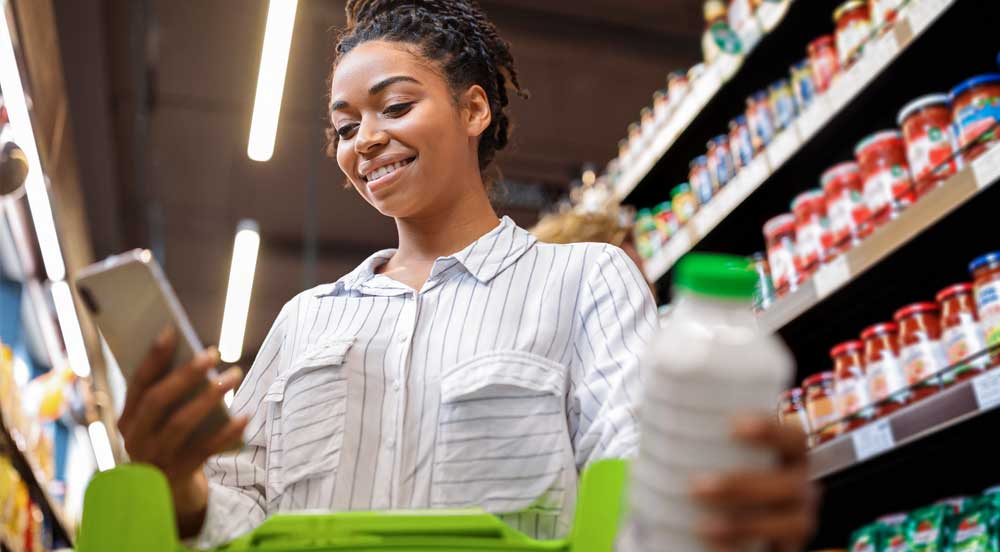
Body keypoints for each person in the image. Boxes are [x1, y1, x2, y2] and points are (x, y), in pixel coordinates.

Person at [116, 1, 817, 549]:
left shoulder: (583, 281)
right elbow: (243, 510)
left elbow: (633, 474)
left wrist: (709, 498)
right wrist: (180, 484)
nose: (366, 140)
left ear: (473, 108)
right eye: (344, 125)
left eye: (395, 107)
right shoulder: (305, 322)